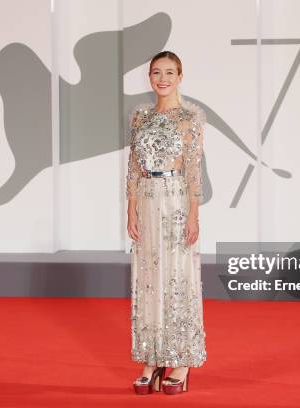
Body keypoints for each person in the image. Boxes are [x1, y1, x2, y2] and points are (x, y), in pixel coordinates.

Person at [126, 50, 207, 395]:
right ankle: (153, 358)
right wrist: (130, 208)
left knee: (176, 277)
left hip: (175, 199)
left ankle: (182, 360)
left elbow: (193, 170)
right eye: (156, 72)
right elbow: (132, 165)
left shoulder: (190, 117)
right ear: (150, 77)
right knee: (148, 279)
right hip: (146, 199)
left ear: (180, 77)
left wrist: (193, 213)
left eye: (169, 73)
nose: (162, 79)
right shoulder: (140, 116)